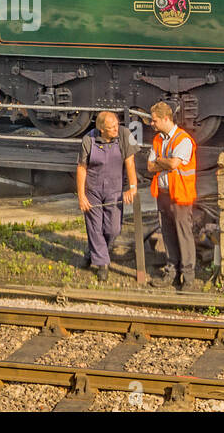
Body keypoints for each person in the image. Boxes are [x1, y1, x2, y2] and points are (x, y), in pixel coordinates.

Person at [76, 111, 138, 282]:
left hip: (115, 188)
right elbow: (81, 168)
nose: (116, 129)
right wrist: (81, 196)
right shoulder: (88, 140)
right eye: (111, 128)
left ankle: (93, 251)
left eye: (117, 125)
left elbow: (130, 161)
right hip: (93, 189)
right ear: (101, 129)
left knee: (113, 228)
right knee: (94, 227)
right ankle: (103, 264)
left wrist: (132, 187)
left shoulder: (126, 134)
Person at [146, 101, 197, 291]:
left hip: (180, 195)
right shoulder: (159, 139)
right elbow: (150, 166)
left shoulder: (183, 139)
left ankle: (188, 277)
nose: (152, 124)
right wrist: (163, 162)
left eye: (155, 120)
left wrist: (159, 160)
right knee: (167, 234)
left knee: (184, 234)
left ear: (166, 119)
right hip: (164, 194)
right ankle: (172, 272)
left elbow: (174, 164)